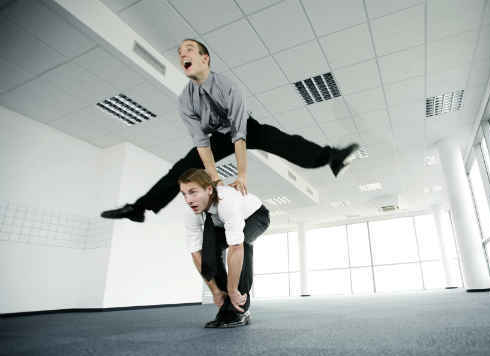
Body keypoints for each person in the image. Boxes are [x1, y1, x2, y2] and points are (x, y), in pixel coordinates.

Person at [101, 38, 359, 222]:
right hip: (217, 138)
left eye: (189, 50)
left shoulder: (227, 88)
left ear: (205, 59)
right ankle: (139, 208)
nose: (183, 56)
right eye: (180, 53)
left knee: (283, 141)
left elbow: (240, 132)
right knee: (181, 170)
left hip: (245, 128)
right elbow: (201, 142)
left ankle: (330, 157)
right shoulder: (186, 101)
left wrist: (242, 174)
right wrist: (212, 173)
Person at [179, 168, 269, 328]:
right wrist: (215, 290)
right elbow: (196, 253)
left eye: (193, 192)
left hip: (255, 215)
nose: (188, 199)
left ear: (208, 189)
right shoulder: (190, 211)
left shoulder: (227, 201)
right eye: (184, 194)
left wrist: (233, 289)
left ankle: (240, 308)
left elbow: (236, 247)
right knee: (210, 252)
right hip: (219, 223)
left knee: (244, 242)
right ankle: (228, 306)